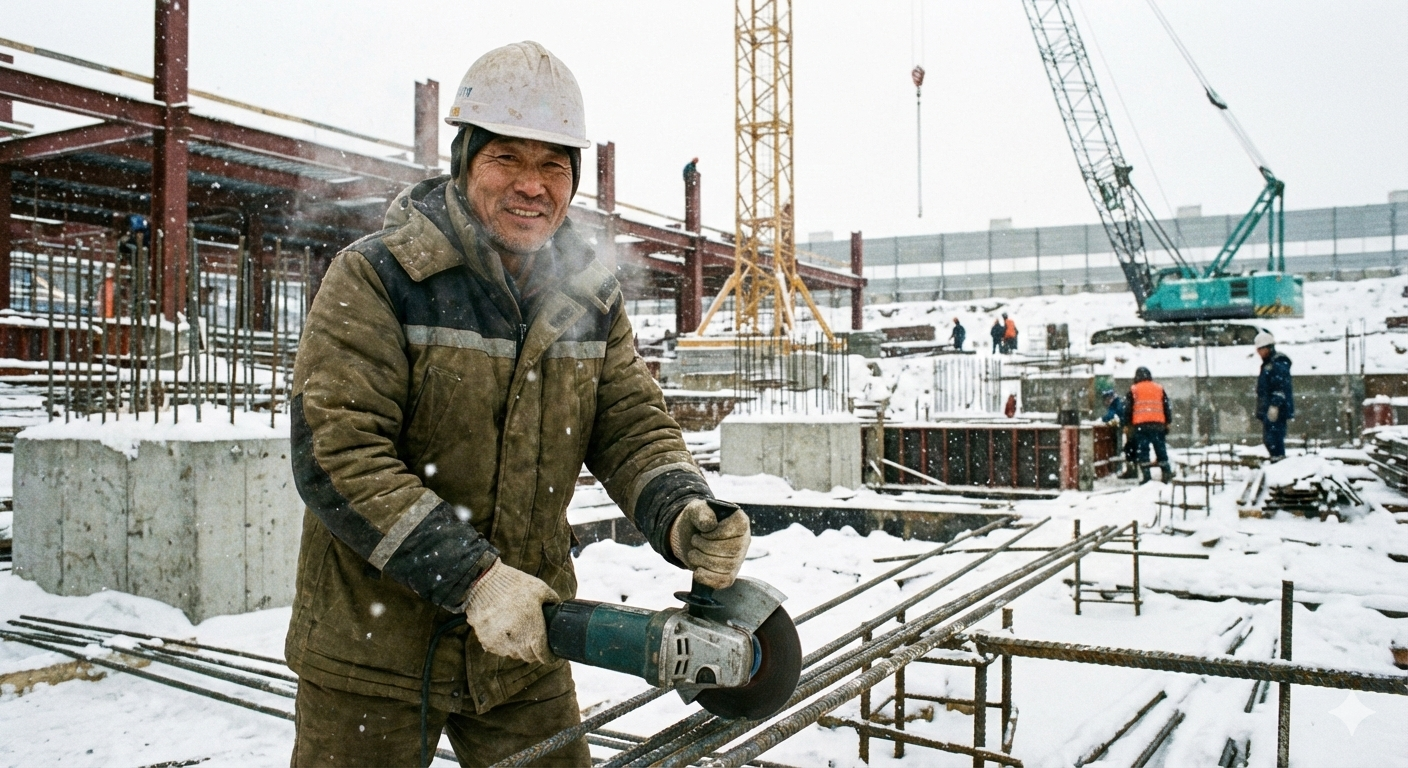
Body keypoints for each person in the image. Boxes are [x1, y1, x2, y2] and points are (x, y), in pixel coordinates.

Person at [285, 42, 751, 767]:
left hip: (524, 643)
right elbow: (336, 455)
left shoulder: (588, 299)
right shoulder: (378, 278)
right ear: (465, 161)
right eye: (508, 159)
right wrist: (474, 578)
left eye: (553, 165)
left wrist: (681, 511)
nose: (532, 186)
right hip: (374, 652)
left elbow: (631, 426)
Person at [1123, 366, 1172, 483]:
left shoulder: (1134, 390)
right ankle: (1166, 473)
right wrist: (1168, 422)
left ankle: (1146, 477)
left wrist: (1126, 424)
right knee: (1160, 449)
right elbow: (1166, 406)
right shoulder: (1159, 388)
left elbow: (1128, 409)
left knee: (1143, 451)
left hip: (1141, 425)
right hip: (1158, 424)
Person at [1255, 330, 1295, 462]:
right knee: (1269, 440)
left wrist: (1275, 405)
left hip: (1276, 409)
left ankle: (1279, 463)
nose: (1258, 353)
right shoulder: (1268, 364)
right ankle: (1276, 461)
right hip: (1269, 409)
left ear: (1268, 347)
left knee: (1274, 439)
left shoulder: (1277, 363)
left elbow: (1280, 386)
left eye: (1260, 349)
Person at [1099, 388, 1138, 479]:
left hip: (1125, 428)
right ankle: (1130, 469)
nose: (1105, 402)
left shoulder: (1115, 404)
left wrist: (1103, 419)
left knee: (1122, 448)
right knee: (1130, 449)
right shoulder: (1120, 402)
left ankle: (1121, 469)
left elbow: (1112, 415)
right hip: (1130, 426)